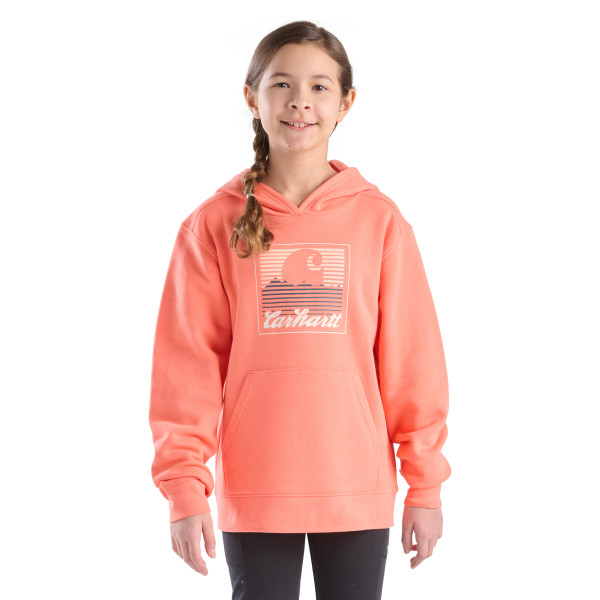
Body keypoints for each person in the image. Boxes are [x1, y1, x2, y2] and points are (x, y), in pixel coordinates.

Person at [148, 20, 451, 600]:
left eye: (319, 87)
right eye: (282, 84)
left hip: (355, 485)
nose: (300, 102)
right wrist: (185, 487)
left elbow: (412, 360)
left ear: (345, 103)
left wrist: (425, 485)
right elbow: (187, 367)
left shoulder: (379, 221)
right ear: (252, 98)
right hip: (257, 486)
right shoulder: (212, 223)